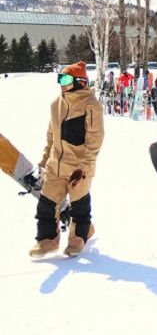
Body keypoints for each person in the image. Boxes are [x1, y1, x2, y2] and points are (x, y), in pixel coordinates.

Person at [30, 62, 105, 257]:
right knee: (46, 204)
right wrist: (45, 160)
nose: (61, 83)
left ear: (80, 81)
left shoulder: (91, 106)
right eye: (59, 79)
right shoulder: (57, 104)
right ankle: (47, 240)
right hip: (56, 165)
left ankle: (79, 237)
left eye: (65, 79)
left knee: (79, 206)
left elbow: (95, 140)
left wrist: (85, 168)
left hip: (78, 168)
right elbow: (51, 136)